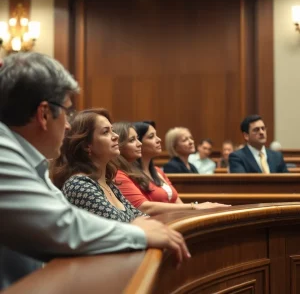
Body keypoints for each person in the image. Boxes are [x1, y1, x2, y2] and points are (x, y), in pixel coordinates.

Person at [0, 52, 190, 290]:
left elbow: (63, 211)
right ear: (44, 114)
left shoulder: (27, 158)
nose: (69, 125)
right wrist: (138, 234)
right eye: (67, 112)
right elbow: (60, 226)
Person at [113, 121, 229, 216]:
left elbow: (177, 202)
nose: (159, 140)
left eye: (137, 139)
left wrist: (195, 212)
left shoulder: (158, 171)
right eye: (151, 137)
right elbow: (143, 207)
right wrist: (195, 207)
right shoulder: (121, 174)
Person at [51, 108, 146, 222]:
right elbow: (120, 229)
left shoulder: (108, 184)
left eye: (113, 130)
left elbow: (141, 218)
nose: (116, 136)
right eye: (106, 132)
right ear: (87, 145)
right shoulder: (78, 185)